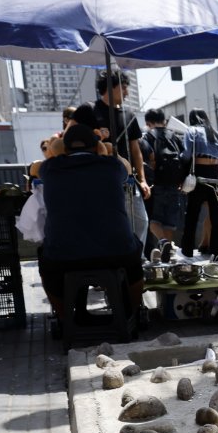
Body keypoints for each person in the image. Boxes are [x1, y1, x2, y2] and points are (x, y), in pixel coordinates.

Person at [38, 124, 143, 326]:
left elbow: (48, 158)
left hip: (64, 255)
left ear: (66, 150)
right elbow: (127, 169)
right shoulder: (112, 167)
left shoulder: (50, 169)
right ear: (96, 147)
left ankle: (64, 318)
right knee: (134, 256)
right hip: (116, 252)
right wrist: (105, 151)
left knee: (47, 265)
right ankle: (132, 313)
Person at [92, 70, 150, 249]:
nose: (127, 93)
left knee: (141, 222)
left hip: (129, 183)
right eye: (123, 88)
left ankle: (136, 261)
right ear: (110, 88)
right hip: (100, 182)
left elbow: (136, 150)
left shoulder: (129, 115)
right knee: (107, 225)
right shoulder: (90, 111)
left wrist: (143, 179)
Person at [181, 108, 218, 261]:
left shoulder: (192, 131)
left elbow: (186, 154)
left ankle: (188, 250)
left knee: (192, 214)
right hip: (215, 175)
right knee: (216, 216)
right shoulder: (215, 133)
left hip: (199, 174)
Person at [143, 108, 187, 244]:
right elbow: (184, 158)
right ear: (164, 121)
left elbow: (144, 160)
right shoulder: (174, 136)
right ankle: (167, 254)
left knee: (153, 221)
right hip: (175, 185)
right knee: (169, 223)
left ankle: (163, 242)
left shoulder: (148, 136)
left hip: (156, 185)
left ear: (148, 122)